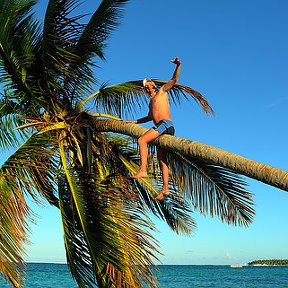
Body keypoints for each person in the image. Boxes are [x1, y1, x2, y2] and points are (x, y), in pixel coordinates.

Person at [123, 57, 181, 200]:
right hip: (162, 127)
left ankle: (143, 169)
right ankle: (165, 189)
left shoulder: (162, 91)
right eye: (145, 86)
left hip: (165, 124)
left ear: (153, 85)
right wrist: (134, 121)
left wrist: (178, 65)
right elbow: (149, 117)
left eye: (149, 83)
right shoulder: (151, 102)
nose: (148, 86)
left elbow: (174, 80)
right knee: (162, 159)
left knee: (142, 140)